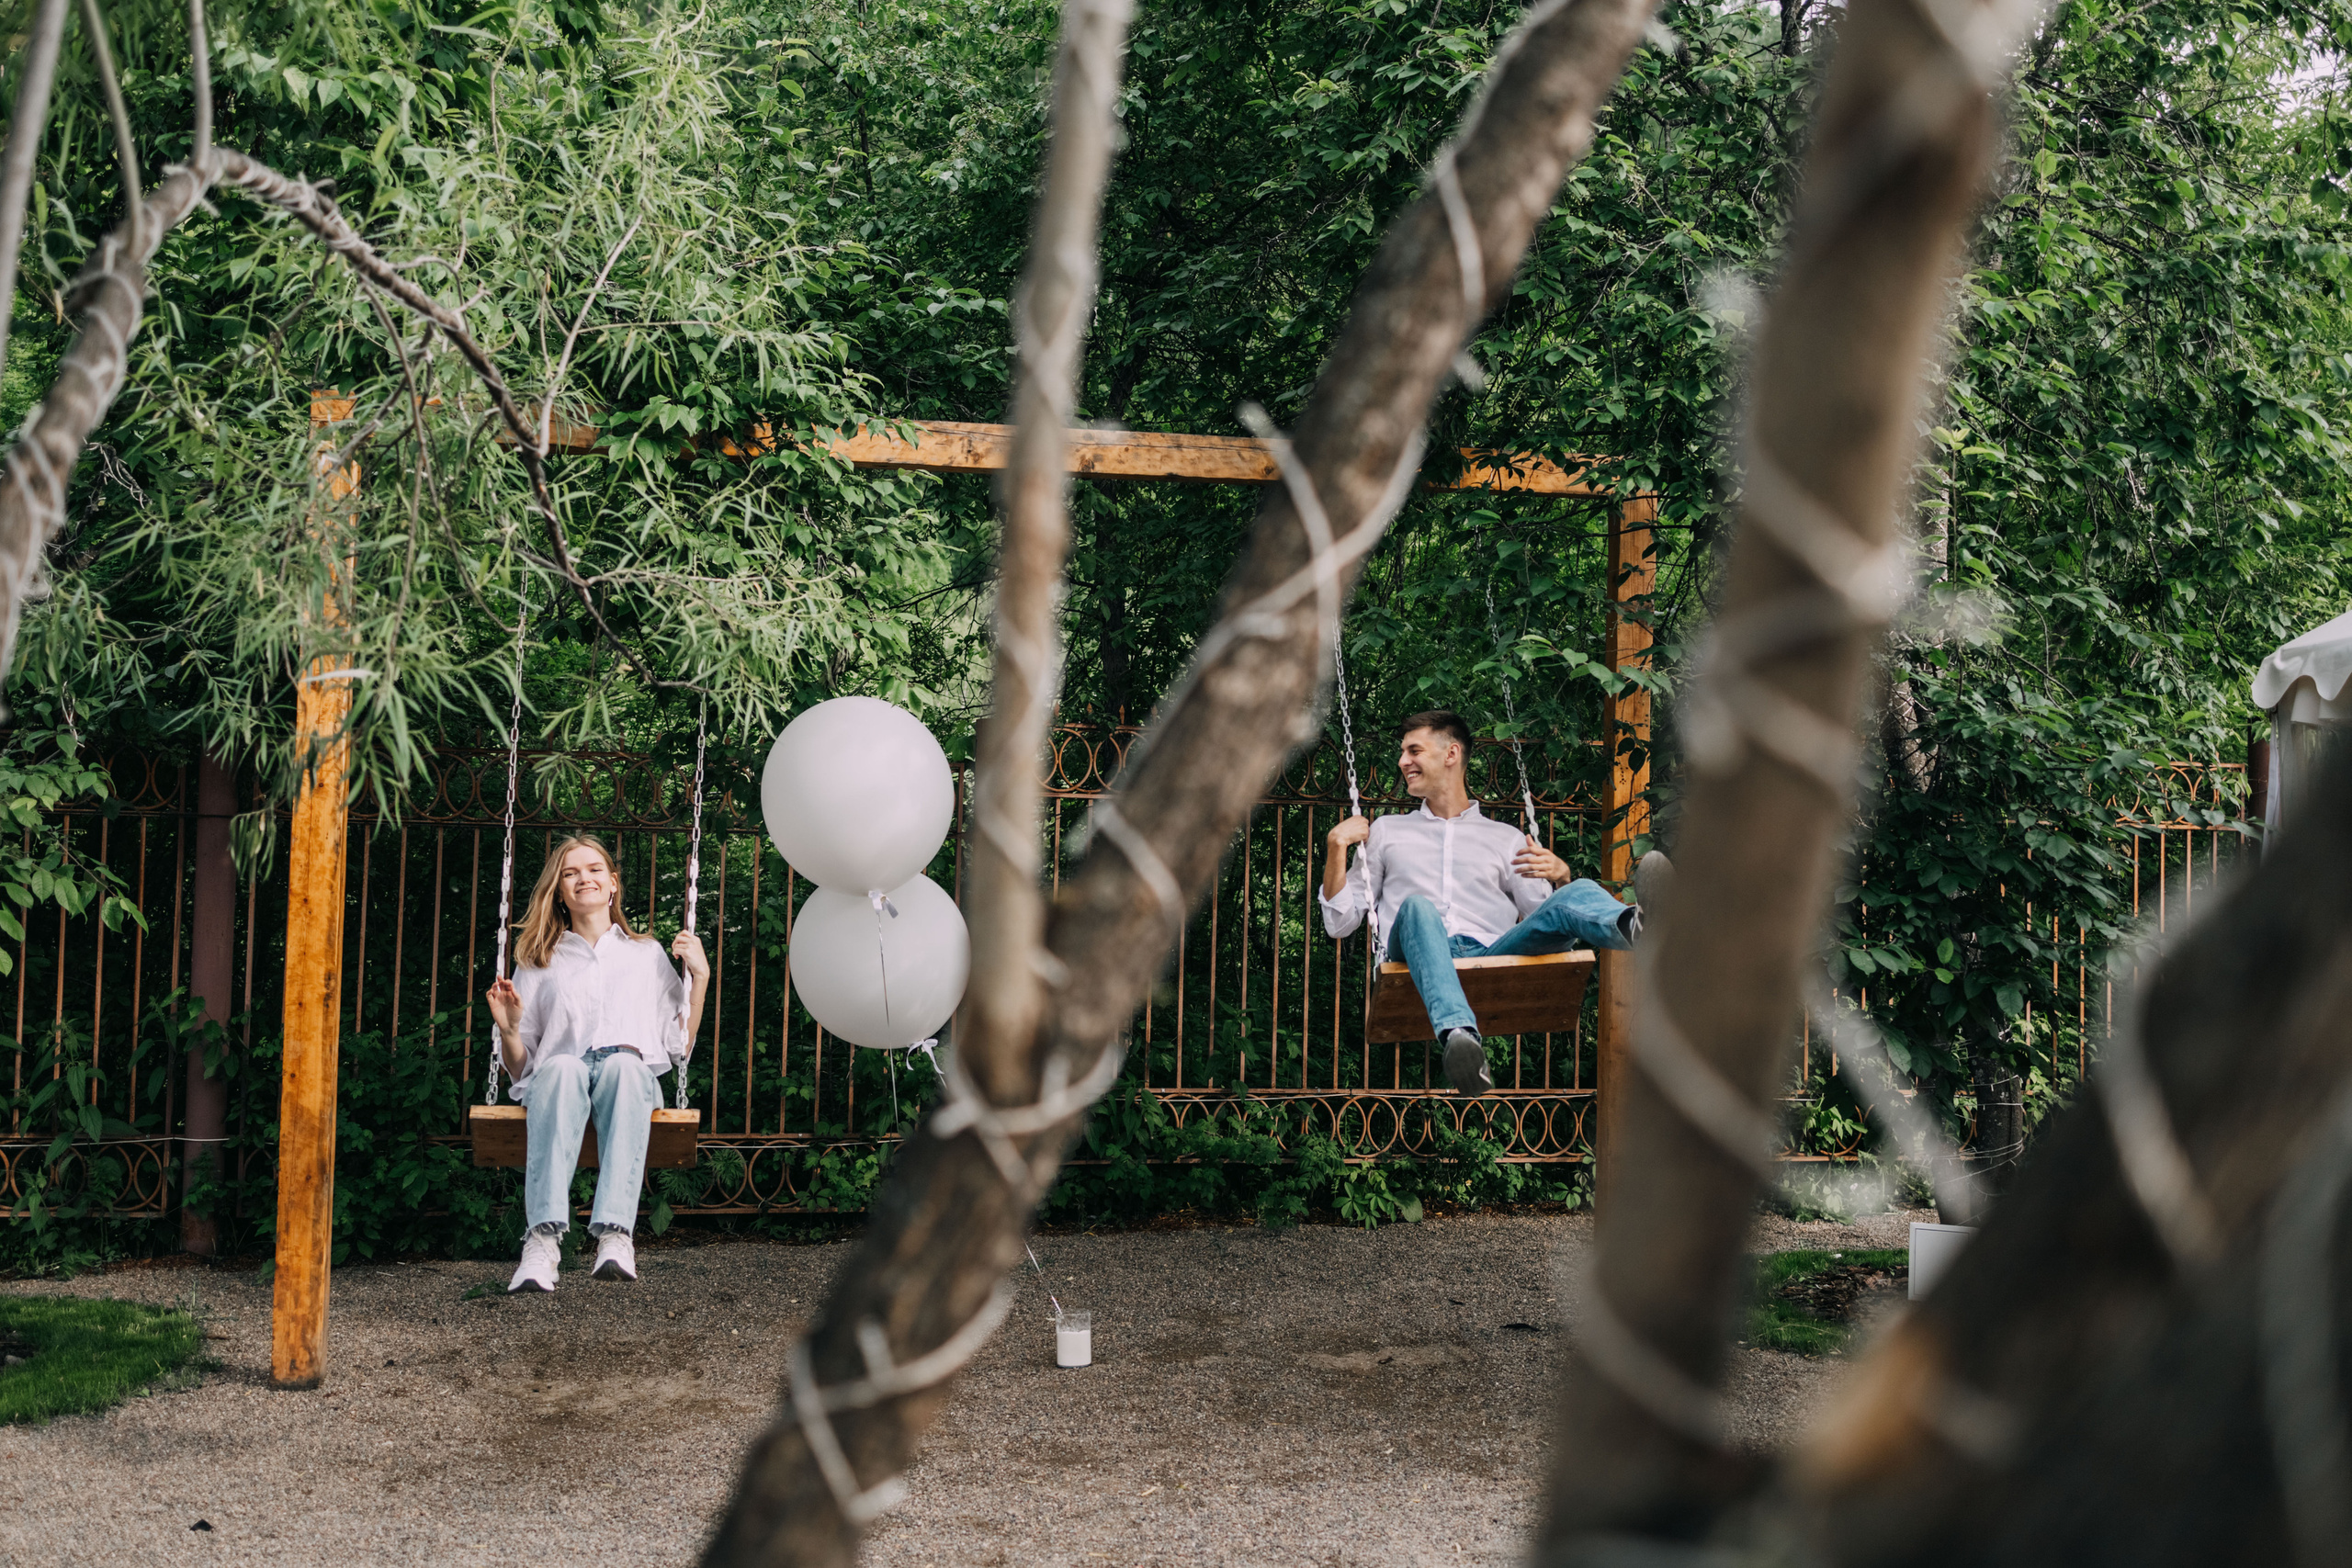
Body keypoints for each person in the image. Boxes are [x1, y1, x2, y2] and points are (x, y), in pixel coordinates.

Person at [1320, 710, 1638, 1097]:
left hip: (1493, 951)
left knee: (1577, 887)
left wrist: (1560, 876)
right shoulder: (1387, 830)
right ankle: (1459, 1037)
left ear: (1451, 754)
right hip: (1412, 954)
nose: (1403, 761)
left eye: (1413, 750)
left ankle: (1633, 925)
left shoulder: (1505, 838)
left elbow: (1543, 920)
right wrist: (1336, 847)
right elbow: (1340, 923)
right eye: (1403, 752)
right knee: (1419, 906)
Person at [486, 834, 709, 1292]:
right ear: (560, 892)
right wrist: (508, 1030)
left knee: (626, 1066)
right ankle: (542, 1243)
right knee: (564, 1067)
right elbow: (522, 1066)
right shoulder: (538, 960)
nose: (582, 878)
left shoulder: (645, 954)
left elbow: (676, 1045)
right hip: (558, 1080)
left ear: (612, 884)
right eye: (569, 873)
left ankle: (615, 1235)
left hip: (627, 1081)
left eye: (592, 869)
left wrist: (701, 977)